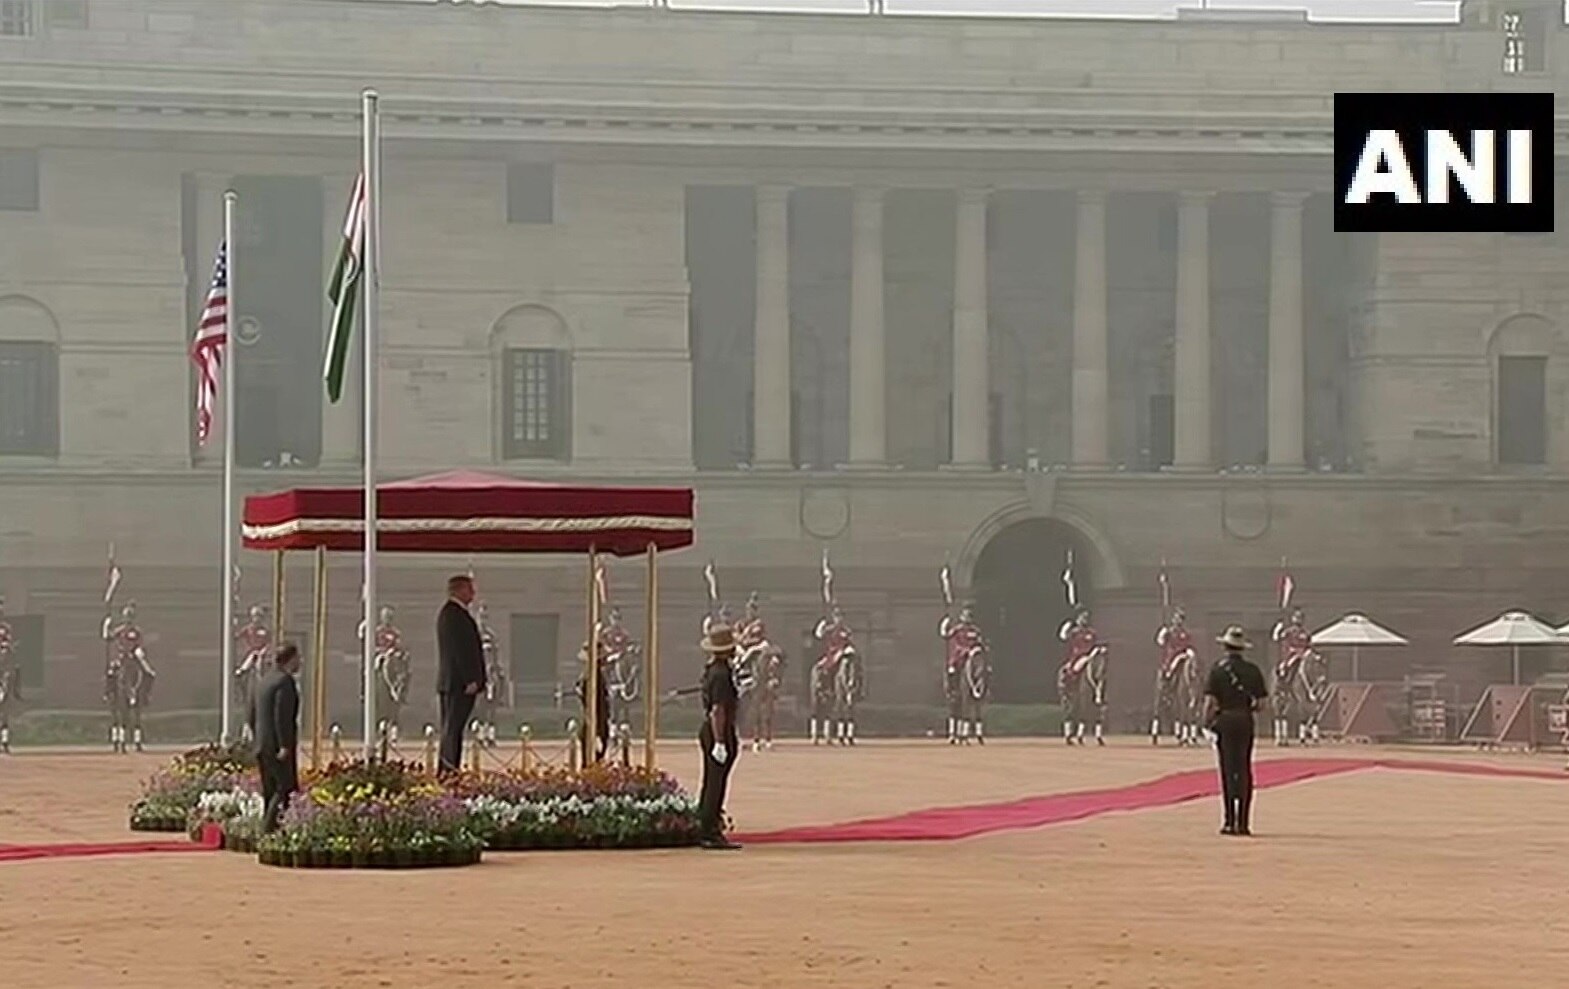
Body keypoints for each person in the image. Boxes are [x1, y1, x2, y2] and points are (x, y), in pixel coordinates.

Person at [1203, 625, 1269, 836]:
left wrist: (1206, 723)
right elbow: (1261, 704)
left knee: (1227, 770)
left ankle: (1229, 821)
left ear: (1225, 646)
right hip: (1245, 721)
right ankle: (1244, 822)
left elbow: (1210, 703)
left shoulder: (1217, 670)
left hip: (1225, 721)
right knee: (1244, 769)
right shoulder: (1253, 671)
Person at [697, 623, 742, 850]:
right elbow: (718, 710)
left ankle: (708, 825)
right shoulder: (721, 673)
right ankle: (709, 831)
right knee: (715, 782)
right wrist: (720, 741)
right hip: (718, 731)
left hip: (716, 729)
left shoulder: (714, 669)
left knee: (713, 781)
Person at [436, 574, 486, 774]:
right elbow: (458, 650)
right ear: (458, 590)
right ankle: (448, 770)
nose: (473, 593)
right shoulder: (452, 615)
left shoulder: (457, 614)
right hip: (457, 683)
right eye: (469, 589)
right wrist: (470, 679)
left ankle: (449, 769)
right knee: (452, 729)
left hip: (457, 682)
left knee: (453, 729)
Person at [254, 642, 302, 833]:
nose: (300, 662)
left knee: (270, 790)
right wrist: (284, 744)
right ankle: (269, 830)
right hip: (277, 747)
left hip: (262, 743)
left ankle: (270, 829)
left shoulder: (264, 681)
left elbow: (252, 713)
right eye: (298, 658)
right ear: (290, 660)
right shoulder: (285, 682)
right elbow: (281, 715)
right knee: (285, 788)